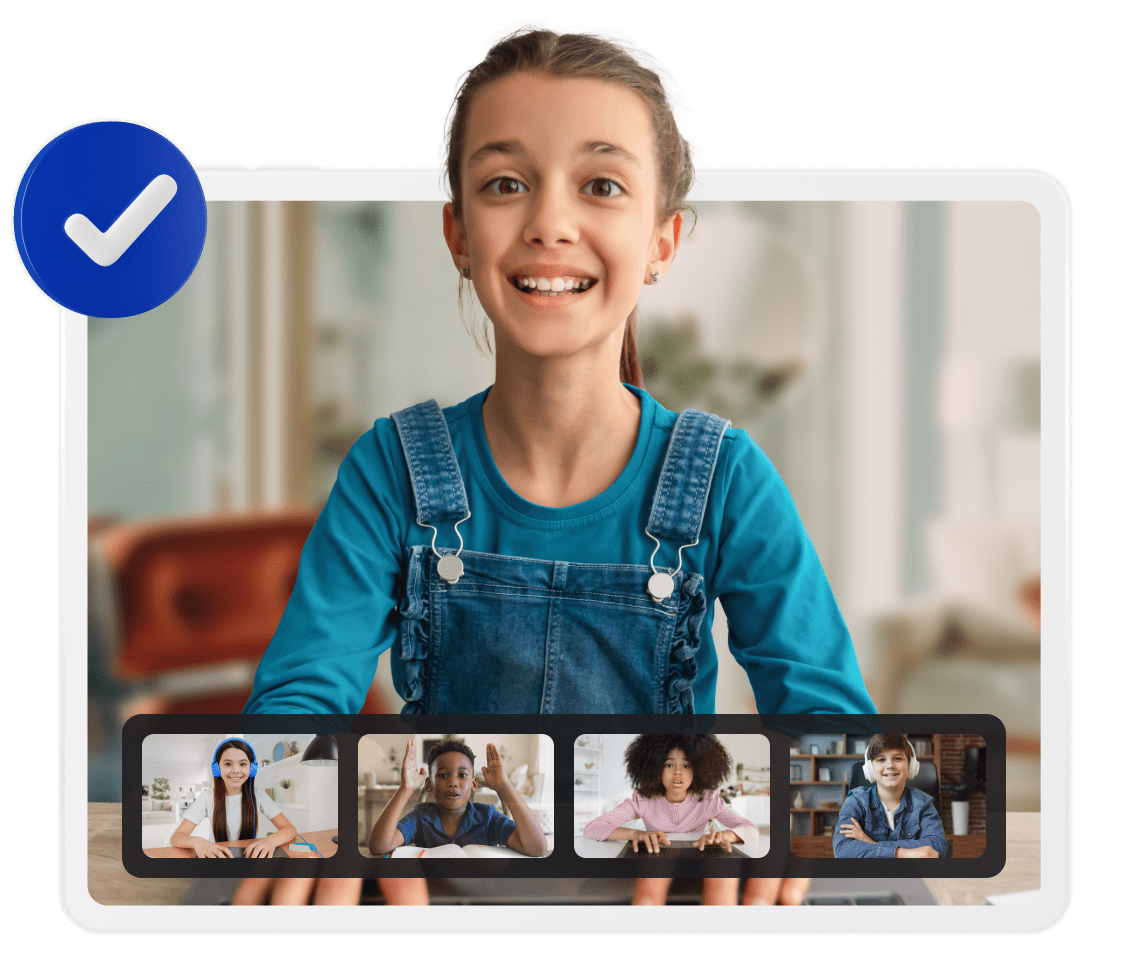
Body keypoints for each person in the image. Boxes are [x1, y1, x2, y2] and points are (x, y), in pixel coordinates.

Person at [244, 19, 875, 904]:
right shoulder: (391, 469)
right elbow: (295, 709)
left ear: (661, 242)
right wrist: (328, 806)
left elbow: (836, 733)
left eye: (602, 185)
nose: (549, 221)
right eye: (506, 183)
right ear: (459, 235)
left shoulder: (728, 477)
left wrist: (759, 811)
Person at [583, 735, 758, 905]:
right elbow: (593, 827)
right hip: (656, 860)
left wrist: (725, 836)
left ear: (698, 770)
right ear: (656, 769)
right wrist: (634, 833)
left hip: (698, 861)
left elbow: (750, 829)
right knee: (648, 897)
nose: (677, 772)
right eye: (669, 764)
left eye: (686, 765)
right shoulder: (643, 799)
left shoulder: (708, 799)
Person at [369, 739, 547, 858]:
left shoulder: (488, 817)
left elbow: (537, 848)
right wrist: (405, 789)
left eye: (462, 775)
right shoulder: (420, 817)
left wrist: (505, 786)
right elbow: (379, 846)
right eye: (443, 775)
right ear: (429, 784)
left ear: (474, 783)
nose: (453, 782)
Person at [170, 739, 297, 859]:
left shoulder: (259, 795)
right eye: (228, 764)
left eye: (242, 764)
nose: (236, 770)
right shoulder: (207, 797)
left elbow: (289, 829)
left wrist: (270, 841)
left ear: (251, 769)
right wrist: (198, 842)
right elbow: (176, 837)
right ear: (217, 769)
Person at [834, 734, 947, 859]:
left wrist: (872, 843)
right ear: (870, 769)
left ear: (911, 765)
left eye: (897, 758)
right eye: (881, 759)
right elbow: (842, 849)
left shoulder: (923, 803)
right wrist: (901, 853)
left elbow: (938, 846)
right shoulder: (856, 800)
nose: (890, 766)